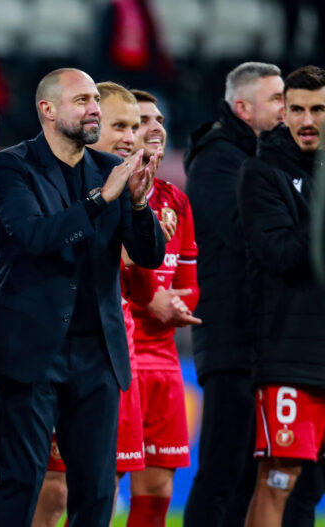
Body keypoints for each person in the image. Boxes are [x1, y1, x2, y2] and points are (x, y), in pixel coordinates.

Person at [0, 68, 164, 526]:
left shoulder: (110, 171)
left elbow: (150, 255)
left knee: (98, 488)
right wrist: (102, 201)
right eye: (82, 100)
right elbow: (35, 236)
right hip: (31, 349)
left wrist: (139, 204)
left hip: (97, 353)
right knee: (22, 481)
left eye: (95, 102)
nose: (94, 109)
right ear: (47, 109)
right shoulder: (11, 167)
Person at [30, 81, 151, 527]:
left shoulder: (135, 193)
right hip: (48, 357)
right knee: (47, 486)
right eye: (119, 125)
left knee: (104, 486)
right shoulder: (42, 185)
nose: (130, 137)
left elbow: (146, 266)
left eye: (135, 127)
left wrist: (136, 204)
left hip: (110, 356)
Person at [183, 61, 284, 527]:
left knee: (247, 470)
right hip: (228, 335)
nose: (287, 111)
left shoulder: (257, 156)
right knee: (224, 468)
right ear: (243, 107)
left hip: (258, 337)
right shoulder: (217, 157)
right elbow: (246, 233)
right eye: (277, 100)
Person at [238, 65, 325, 527]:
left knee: (309, 494)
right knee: (279, 479)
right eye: (297, 109)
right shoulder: (262, 172)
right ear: (284, 114)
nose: (306, 119)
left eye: (318, 109)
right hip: (290, 353)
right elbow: (278, 254)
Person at [120, 89, 200, 527]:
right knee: (99, 483)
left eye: (159, 120)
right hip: (121, 355)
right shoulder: (106, 193)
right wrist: (151, 301)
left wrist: (174, 304)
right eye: (141, 120)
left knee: (159, 488)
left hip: (166, 360)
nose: (154, 128)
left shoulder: (176, 199)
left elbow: (189, 284)